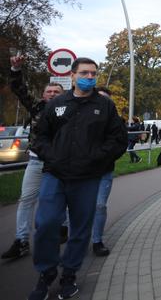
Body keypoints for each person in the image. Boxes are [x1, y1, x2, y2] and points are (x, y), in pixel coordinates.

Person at [28, 57, 127, 300]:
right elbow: (40, 137)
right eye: (85, 73)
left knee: (80, 230)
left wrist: (97, 158)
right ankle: (46, 273)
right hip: (56, 175)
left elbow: (118, 140)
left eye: (94, 74)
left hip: (87, 177)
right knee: (46, 223)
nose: (90, 77)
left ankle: (69, 275)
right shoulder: (57, 104)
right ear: (72, 76)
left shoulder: (104, 106)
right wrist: (53, 156)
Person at [1, 55, 64, 260]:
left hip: (61, 163)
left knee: (63, 198)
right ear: (43, 95)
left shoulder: (70, 110)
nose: (53, 94)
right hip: (37, 162)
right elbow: (19, 89)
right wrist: (15, 69)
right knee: (26, 199)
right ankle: (21, 240)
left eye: (57, 92)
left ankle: (62, 229)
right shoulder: (37, 108)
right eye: (49, 91)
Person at [90, 86, 122, 257]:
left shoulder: (114, 120)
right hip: (81, 172)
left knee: (99, 205)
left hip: (103, 170)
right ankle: (76, 237)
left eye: (106, 99)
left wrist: (107, 156)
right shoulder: (82, 115)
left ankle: (97, 240)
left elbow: (120, 141)